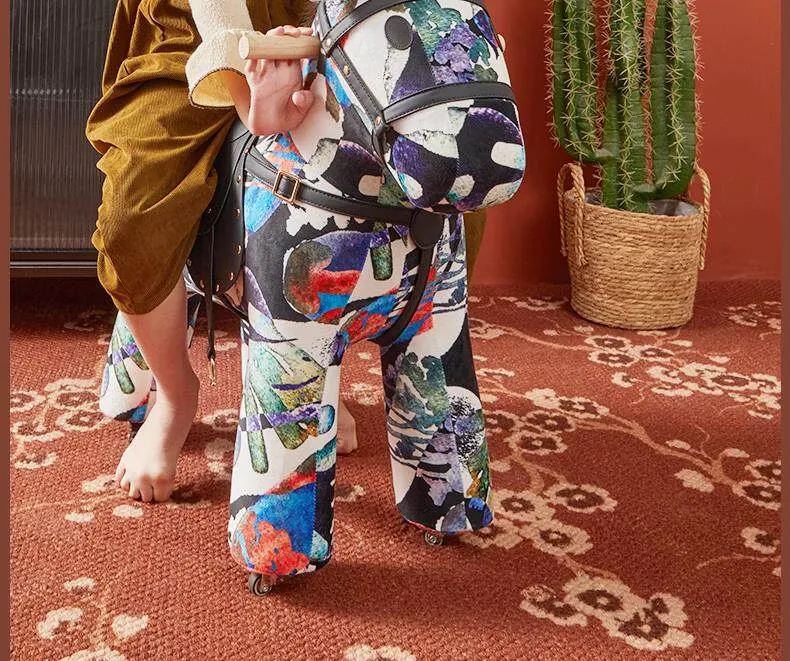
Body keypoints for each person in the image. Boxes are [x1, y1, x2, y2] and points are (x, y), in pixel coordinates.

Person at [86, 0, 487, 504]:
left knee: (453, 193)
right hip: (201, 38)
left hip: (346, 28)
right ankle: (173, 393)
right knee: (134, 215)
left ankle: (325, 373)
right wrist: (247, 97)